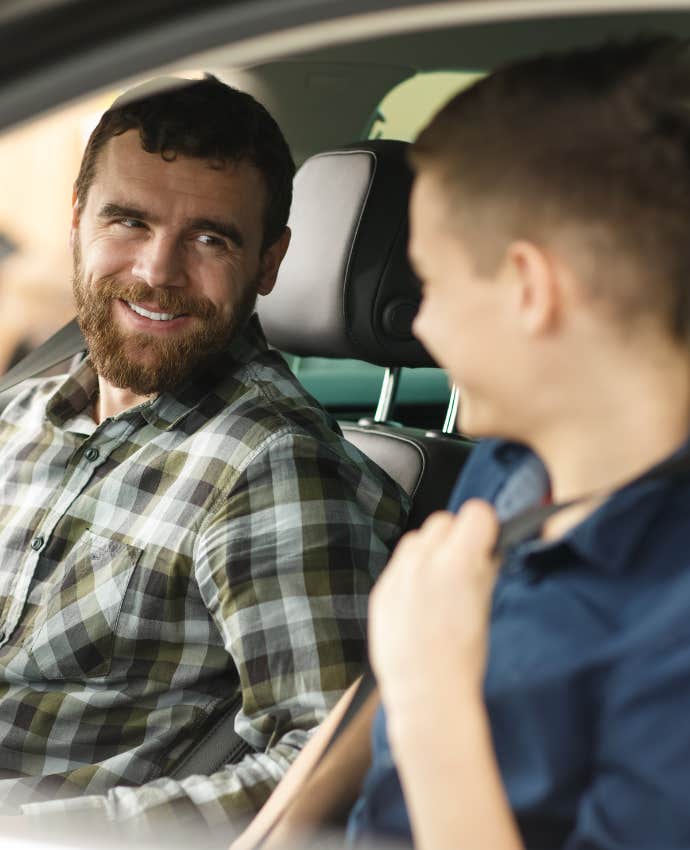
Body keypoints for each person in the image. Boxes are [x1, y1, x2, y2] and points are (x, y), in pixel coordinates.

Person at [0, 78, 409, 833]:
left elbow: (324, 764)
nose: (157, 272)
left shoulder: (272, 465)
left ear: (269, 263)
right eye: (129, 222)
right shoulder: (32, 420)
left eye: (211, 238)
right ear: (78, 222)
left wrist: (43, 833)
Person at [236, 36, 690, 850]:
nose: (421, 324)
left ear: (529, 289)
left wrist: (433, 691)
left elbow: (413, 666)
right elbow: (378, 688)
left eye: (433, 285)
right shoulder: (519, 464)